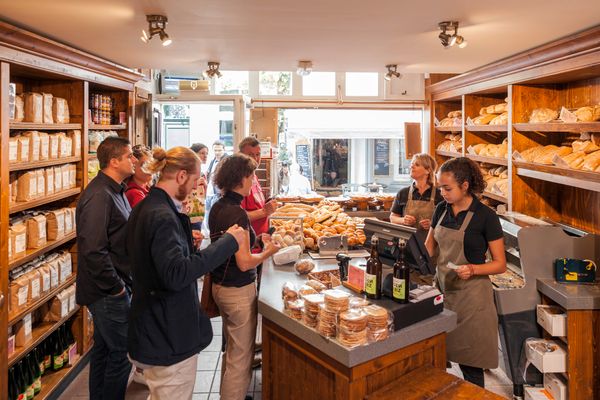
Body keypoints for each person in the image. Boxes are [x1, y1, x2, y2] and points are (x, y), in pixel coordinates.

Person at [126, 146, 246, 399]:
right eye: (194, 180)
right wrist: (227, 242)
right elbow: (177, 274)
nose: (195, 188)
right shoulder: (161, 216)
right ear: (181, 176)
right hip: (168, 333)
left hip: (150, 325)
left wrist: (183, 242)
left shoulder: (147, 207)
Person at [424, 157, 506, 388]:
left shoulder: (486, 217)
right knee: (438, 358)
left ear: (465, 185)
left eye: (447, 188)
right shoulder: (441, 209)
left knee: (471, 363)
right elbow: (429, 247)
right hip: (442, 292)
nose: (443, 193)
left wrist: (473, 269)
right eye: (440, 187)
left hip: (472, 300)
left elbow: (500, 264)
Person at [209, 154, 280, 400]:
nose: (253, 181)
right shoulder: (237, 213)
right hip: (237, 290)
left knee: (231, 351)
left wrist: (258, 240)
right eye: (251, 176)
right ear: (241, 179)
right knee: (241, 358)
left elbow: (234, 246)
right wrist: (268, 252)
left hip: (221, 286)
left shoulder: (219, 206)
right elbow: (244, 261)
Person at [75, 136, 136, 400]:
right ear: (114, 161)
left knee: (103, 350)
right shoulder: (100, 195)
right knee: (121, 353)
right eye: (129, 156)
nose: (134, 160)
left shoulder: (116, 190)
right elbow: (93, 249)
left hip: (115, 286)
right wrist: (116, 289)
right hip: (107, 292)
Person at [390, 153, 443, 239]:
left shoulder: (440, 195)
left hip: (430, 244)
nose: (412, 167)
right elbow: (393, 218)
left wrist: (433, 224)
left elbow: (445, 222)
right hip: (406, 243)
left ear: (428, 170)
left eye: (417, 165)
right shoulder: (403, 193)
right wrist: (403, 220)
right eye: (412, 164)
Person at [205, 140, 227, 230]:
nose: (217, 152)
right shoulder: (213, 161)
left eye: (219, 150)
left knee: (216, 221)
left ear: (224, 150)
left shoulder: (227, 161)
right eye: (215, 150)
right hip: (209, 194)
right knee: (207, 221)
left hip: (218, 194)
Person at [125, 144, 153, 208]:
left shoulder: (148, 189)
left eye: (151, 164)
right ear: (133, 167)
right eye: (144, 165)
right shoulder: (135, 194)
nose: (150, 168)